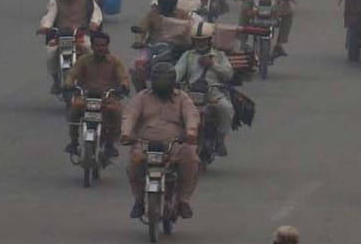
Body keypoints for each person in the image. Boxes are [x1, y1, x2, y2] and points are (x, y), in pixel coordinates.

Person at [122, 60, 201, 219]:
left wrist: (191, 132)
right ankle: (138, 201)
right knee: (133, 165)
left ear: (173, 81)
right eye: (159, 80)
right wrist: (126, 133)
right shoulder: (142, 97)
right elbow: (130, 115)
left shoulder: (182, 98)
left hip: (175, 144)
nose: (162, 83)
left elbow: (191, 115)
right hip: (144, 144)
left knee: (191, 159)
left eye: (166, 80)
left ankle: (183, 201)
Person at [65, 28, 131, 158]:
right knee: (74, 109)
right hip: (85, 96)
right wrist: (68, 84)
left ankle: (110, 144)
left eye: (103, 45)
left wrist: (124, 86)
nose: (100, 48)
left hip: (107, 98)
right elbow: (72, 74)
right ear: (92, 46)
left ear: (107, 46)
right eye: (97, 45)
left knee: (117, 112)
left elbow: (123, 76)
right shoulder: (84, 60)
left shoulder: (114, 61)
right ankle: (73, 142)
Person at [39, 0, 105, 92]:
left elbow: (96, 13)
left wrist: (94, 23)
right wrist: (45, 26)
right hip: (60, 35)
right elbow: (49, 16)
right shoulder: (56, 0)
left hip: (81, 34)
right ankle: (56, 81)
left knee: (90, 51)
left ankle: (91, 77)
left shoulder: (87, 0)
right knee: (51, 53)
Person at [176, 41, 236, 156]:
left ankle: (220, 140)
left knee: (226, 108)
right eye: (197, 40)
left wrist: (213, 65)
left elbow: (229, 74)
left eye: (203, 40)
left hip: (213, 92)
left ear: (209, 40)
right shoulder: (188, 55)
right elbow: (177, 72)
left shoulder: (219, 55)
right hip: (190, 92)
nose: (200, 43)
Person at [134, 0, 200, 54]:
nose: (167, 4)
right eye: (165, 1)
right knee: (140, 62)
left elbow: (191, 29)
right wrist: (138, 41)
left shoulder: (182, 15)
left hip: (177, 50)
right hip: (154, 49)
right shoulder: (153, 14)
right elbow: (141, 29)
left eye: (170, 1)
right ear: (160, 0)